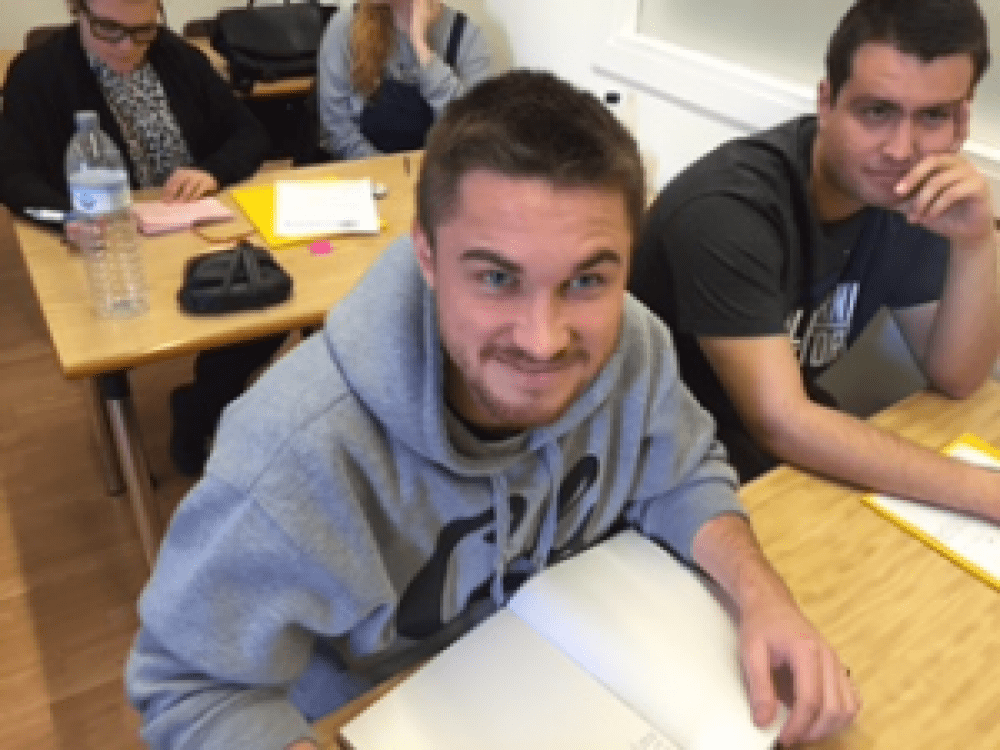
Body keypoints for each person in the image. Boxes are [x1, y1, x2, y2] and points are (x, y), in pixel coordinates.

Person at [125, 70, 858, 750]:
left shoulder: (636, 341)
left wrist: (764, 598)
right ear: (427, 256)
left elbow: (683, 469)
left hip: (572, 674)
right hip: (383, 712)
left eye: (587, 280)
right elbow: (190, 689)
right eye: (497, 277)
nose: (544, 341)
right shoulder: (297, 453)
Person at [630, 0, 1000, 520]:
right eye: (877, 111)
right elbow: (778, 421)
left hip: (779, 458)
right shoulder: (728, 210)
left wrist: (976, 241)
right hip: (671, 470)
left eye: (933, 116)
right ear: (827, 102)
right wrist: (984, 492)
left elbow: (958, 377)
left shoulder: (908, 193)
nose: (901, 149)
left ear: (962, 121)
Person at [0, 0, 287, 476]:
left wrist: (211, 170)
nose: (126, 48)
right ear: (79, 12)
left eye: (142, 32)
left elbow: (249, 133)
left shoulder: (176, 56)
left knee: (267, 305)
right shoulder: (39, 73)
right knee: (118, 329)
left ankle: (198, 407)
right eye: (109, 30)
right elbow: (12, 174)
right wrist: (65, 217)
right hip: (105, 240)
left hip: (188, 228)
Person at [316, 0, 491, 160]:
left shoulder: (466, 36)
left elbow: (468, 134)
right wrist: (387, 173)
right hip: (365, 177)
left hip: (437, 177)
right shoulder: (345, 27)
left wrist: (420, 44)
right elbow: (337, 130)